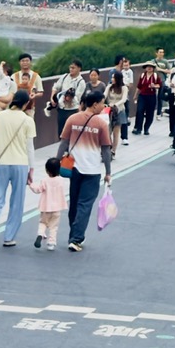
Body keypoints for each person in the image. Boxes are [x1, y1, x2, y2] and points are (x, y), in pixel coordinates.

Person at [58, 87, 113, 251]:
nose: (103, 106)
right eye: (102, 103)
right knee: (85, 204)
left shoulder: (73, 118)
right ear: (95, 104)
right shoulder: (101, 123)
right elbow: (106, 150)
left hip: (74, 168)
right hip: (92, 170)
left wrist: (56, 161)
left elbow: (64, 142)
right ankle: (76, 239)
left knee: (74, 203)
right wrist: (108, 172)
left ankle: (73, 235)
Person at [0, 89, 36, 249]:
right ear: (26, 103)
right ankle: (9, 237)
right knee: (17, 201)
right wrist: (32, 168)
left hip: (2, 162)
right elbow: (30, 147)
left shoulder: (0, 116)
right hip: (20, 163)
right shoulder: (28, 120)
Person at [29, 155, 66, 250]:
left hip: (46, 207)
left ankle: (40, 234)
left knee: (43, 222)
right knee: (53, 226)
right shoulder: (61, 181)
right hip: (57, 208)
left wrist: (30, 184)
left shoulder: (44, 181)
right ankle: (51, 243)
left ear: (47, 170)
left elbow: (38, 190)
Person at [48, 61, 87, 142]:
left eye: (73, 68)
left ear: (79, 69)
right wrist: (53, 97)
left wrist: (69, 98)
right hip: (62, 108)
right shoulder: (65, 76)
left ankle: (70, 148)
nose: (71, 69)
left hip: (72, 110)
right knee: (61, 132)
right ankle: (62, 148)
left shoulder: (81, 82)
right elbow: (56, 87)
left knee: (71, 132)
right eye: (70, 67)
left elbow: (77, 97)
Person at [133, 65, 158, 136]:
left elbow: (159, 85)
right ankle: (138, 128)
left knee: (150, 113)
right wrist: (135, 95)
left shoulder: (155, 76)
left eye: (150, 67)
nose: (149, 68)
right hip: (142, 96)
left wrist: (154, 86)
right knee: (139, 111)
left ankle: (146, 128)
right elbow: (139, 86)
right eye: (147, 67)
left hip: (151, 96)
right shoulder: (143, 75)